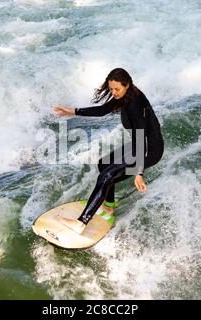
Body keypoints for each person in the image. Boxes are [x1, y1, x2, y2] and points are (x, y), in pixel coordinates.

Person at [52, 68, 164, 234]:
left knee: (106, 176)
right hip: (140, 144)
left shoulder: (134, 104)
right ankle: (109, 207)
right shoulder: (126, 95)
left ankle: (81, 223)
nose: (114, 92)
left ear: (127, 85)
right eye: (111, 89)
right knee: (104, 164)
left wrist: (138, 172)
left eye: (117, 89)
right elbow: (102, 110)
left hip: (149, 149)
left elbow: (141, 137)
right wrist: (73, 111)